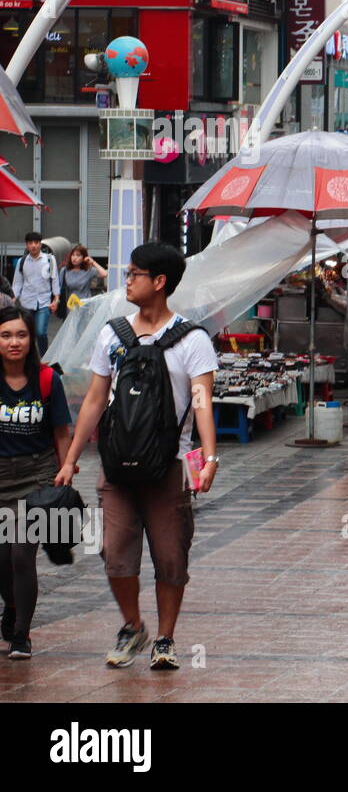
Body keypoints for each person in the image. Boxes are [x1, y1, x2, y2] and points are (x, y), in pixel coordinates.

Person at [55, 243, 219, 672]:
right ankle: (133, 625)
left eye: (134, 274)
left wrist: (210, 457)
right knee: (115, 553)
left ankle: (165, 638)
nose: (125, 280)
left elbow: (202, 399)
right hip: (117, 465)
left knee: (170, 557)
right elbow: (93, 400)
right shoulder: (113, 334)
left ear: (159, 282)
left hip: (171, 466)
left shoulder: (193, 339)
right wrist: (72, 458)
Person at [0, 307, 74, 660]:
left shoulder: (47, 380)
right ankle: (11, 605)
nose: (14, 342)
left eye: (21, 335)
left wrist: (67, 467)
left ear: (31, 339)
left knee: (20, 553)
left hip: (37, 476)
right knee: (2, 560)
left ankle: (21, 635)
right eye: (6, 335)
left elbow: (61, 431)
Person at [12, 233, 59, 356]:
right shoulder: (21, 261)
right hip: (26, 302)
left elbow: (54, 279)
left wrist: (56, 298)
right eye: (30, 243)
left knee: (40, 332)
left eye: (36, 243)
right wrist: (13, 298)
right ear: (26, 245)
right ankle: (29, 358)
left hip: (44, 302)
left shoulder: (49, 259)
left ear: (40, 244)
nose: (33, 246)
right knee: (27, 333)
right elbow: (17, 283)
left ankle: (44, 358)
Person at [59, 244, 108, 314]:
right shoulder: (64, 271)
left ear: (83, 258)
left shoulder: (88, 270)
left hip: (86, 306)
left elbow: (105, 274)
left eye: (78, 255)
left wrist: (93, 262)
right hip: (71, 306)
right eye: (73, 255)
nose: (74, 258)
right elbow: (59, 288)